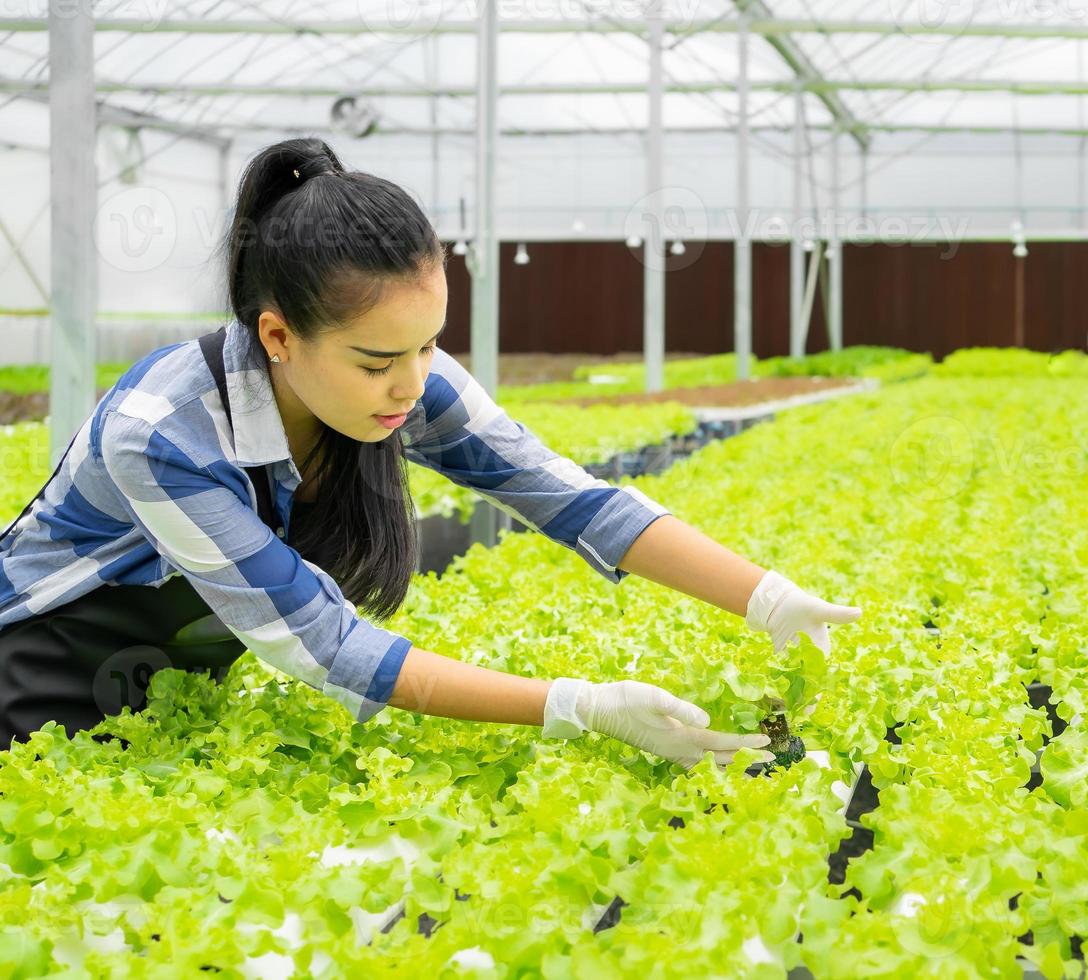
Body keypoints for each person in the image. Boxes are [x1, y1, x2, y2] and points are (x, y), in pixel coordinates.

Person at [0, 137, 861, 768]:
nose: (413, 383)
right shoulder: (164, 433)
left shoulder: (400, 382)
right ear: (278, 336)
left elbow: (569, 496)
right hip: (38, 670)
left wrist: (769, 599)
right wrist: (580, 707)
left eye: (428, 345)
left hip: (176, 678)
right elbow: (323, 644)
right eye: (379, 361)